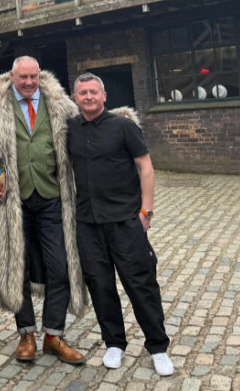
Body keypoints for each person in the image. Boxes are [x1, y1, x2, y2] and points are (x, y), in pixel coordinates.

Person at [0, 56, 88, 364]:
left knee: (60, 265)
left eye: (33, 77)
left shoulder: (61, 104)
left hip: (52, 197)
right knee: (16, 267)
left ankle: (53, 334)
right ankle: (26, 333)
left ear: (40, 75)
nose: (28, 82)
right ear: (12, 76)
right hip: (12, 201)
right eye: (22, 77)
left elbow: (83, 139)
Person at [66, 72, 173, 377]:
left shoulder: (124, 126)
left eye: (93, 92)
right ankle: (114, 342)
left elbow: (146, 167)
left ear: (104, 96)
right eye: (83, 93)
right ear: (75, 98)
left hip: (126, 220)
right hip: (87, 222)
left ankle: (158, 347)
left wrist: (146, 211)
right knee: (100, 285)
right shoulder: (70, 129)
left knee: (141, 284)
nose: (88, 97)